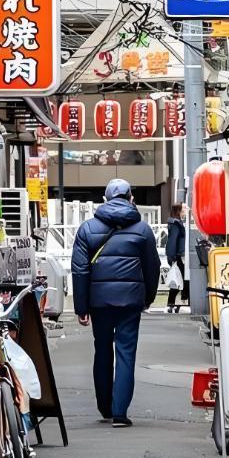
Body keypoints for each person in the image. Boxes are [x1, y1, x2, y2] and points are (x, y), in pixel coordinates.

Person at [71, 178, 161, 428]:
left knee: (102, 350)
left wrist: (81, 307)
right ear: (131, 199)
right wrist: (148, 297)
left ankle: (105, 406)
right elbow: (152, 267)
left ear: (105, 200)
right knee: (126, 352)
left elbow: (79, 270)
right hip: (131, 301)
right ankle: (120, 412)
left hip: (99, 303)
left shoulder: (87, 229)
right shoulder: (143, 230)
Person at [165, 203, 187, 313]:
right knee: (181, 278)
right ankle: (176, 302)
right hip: (178, 256)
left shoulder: (176, 223)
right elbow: (172, 240)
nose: (186, 209)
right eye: (184, 208)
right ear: (178, 211)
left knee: (180, 278)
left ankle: (173, 302)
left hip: (177, 255)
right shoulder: (176, 224)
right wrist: (172, 256)